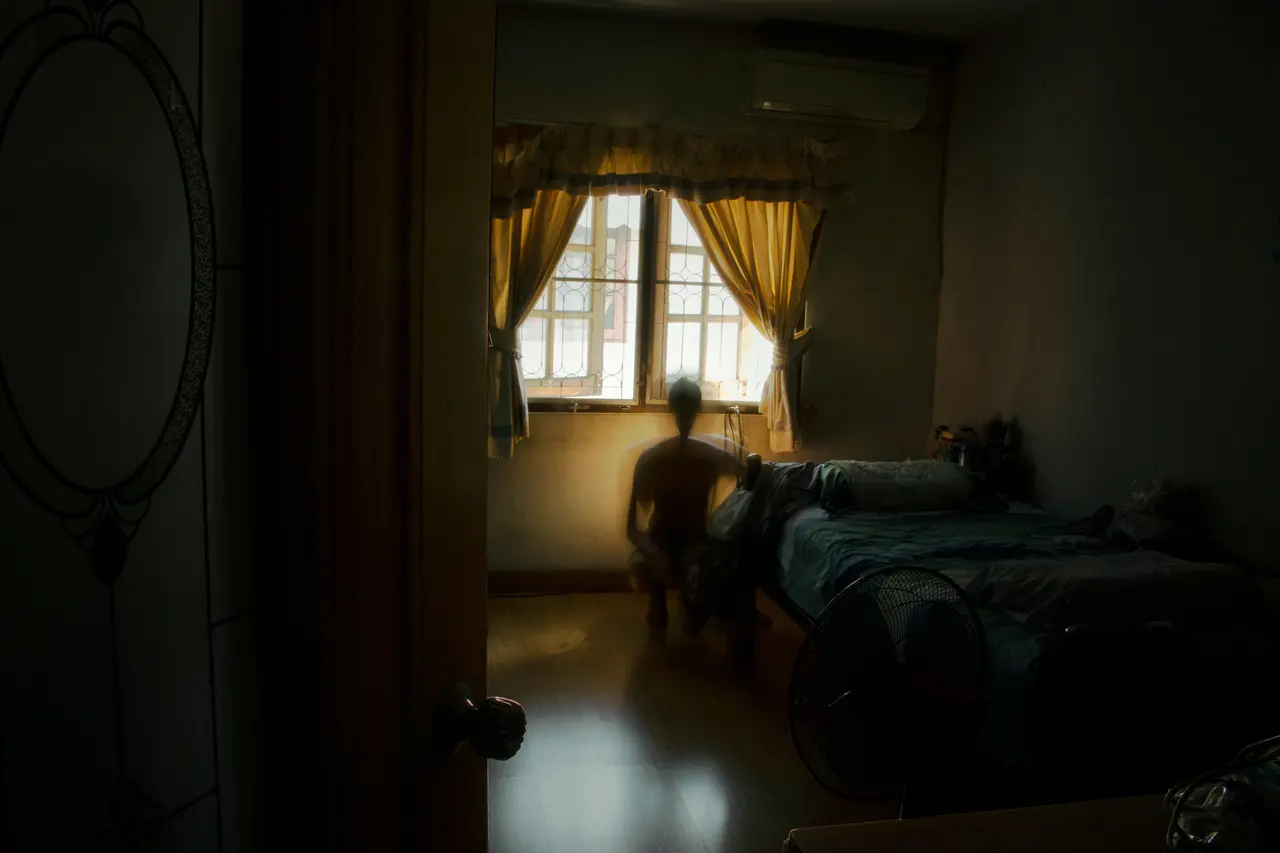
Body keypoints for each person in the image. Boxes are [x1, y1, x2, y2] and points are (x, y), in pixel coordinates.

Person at [626, 378, 746, 628]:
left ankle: (698, 602)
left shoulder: (708, 456)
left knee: (696, 620)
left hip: (696, 542)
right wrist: (652, 551)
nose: (684, 418)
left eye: (688, 412)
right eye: (681, 412)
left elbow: (746, 475)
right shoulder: (653, 459)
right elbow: (632, 527)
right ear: (673, 411)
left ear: (696, 413)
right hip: (662, 541)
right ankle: (660, 601)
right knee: (644, 569)